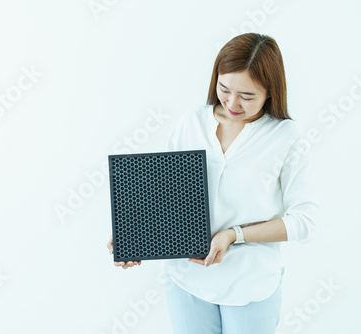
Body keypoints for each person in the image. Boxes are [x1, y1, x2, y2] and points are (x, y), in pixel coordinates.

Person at [106, 32, 319, 334]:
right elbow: (165, 195)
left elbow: (304, 222)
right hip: (187, 280)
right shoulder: (191, 123)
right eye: (224, 89)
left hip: (250, 284)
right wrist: (135, 235)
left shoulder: (286, 137)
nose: (233, 103)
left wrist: (234, 235)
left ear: (270, 91)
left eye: (247, 96)